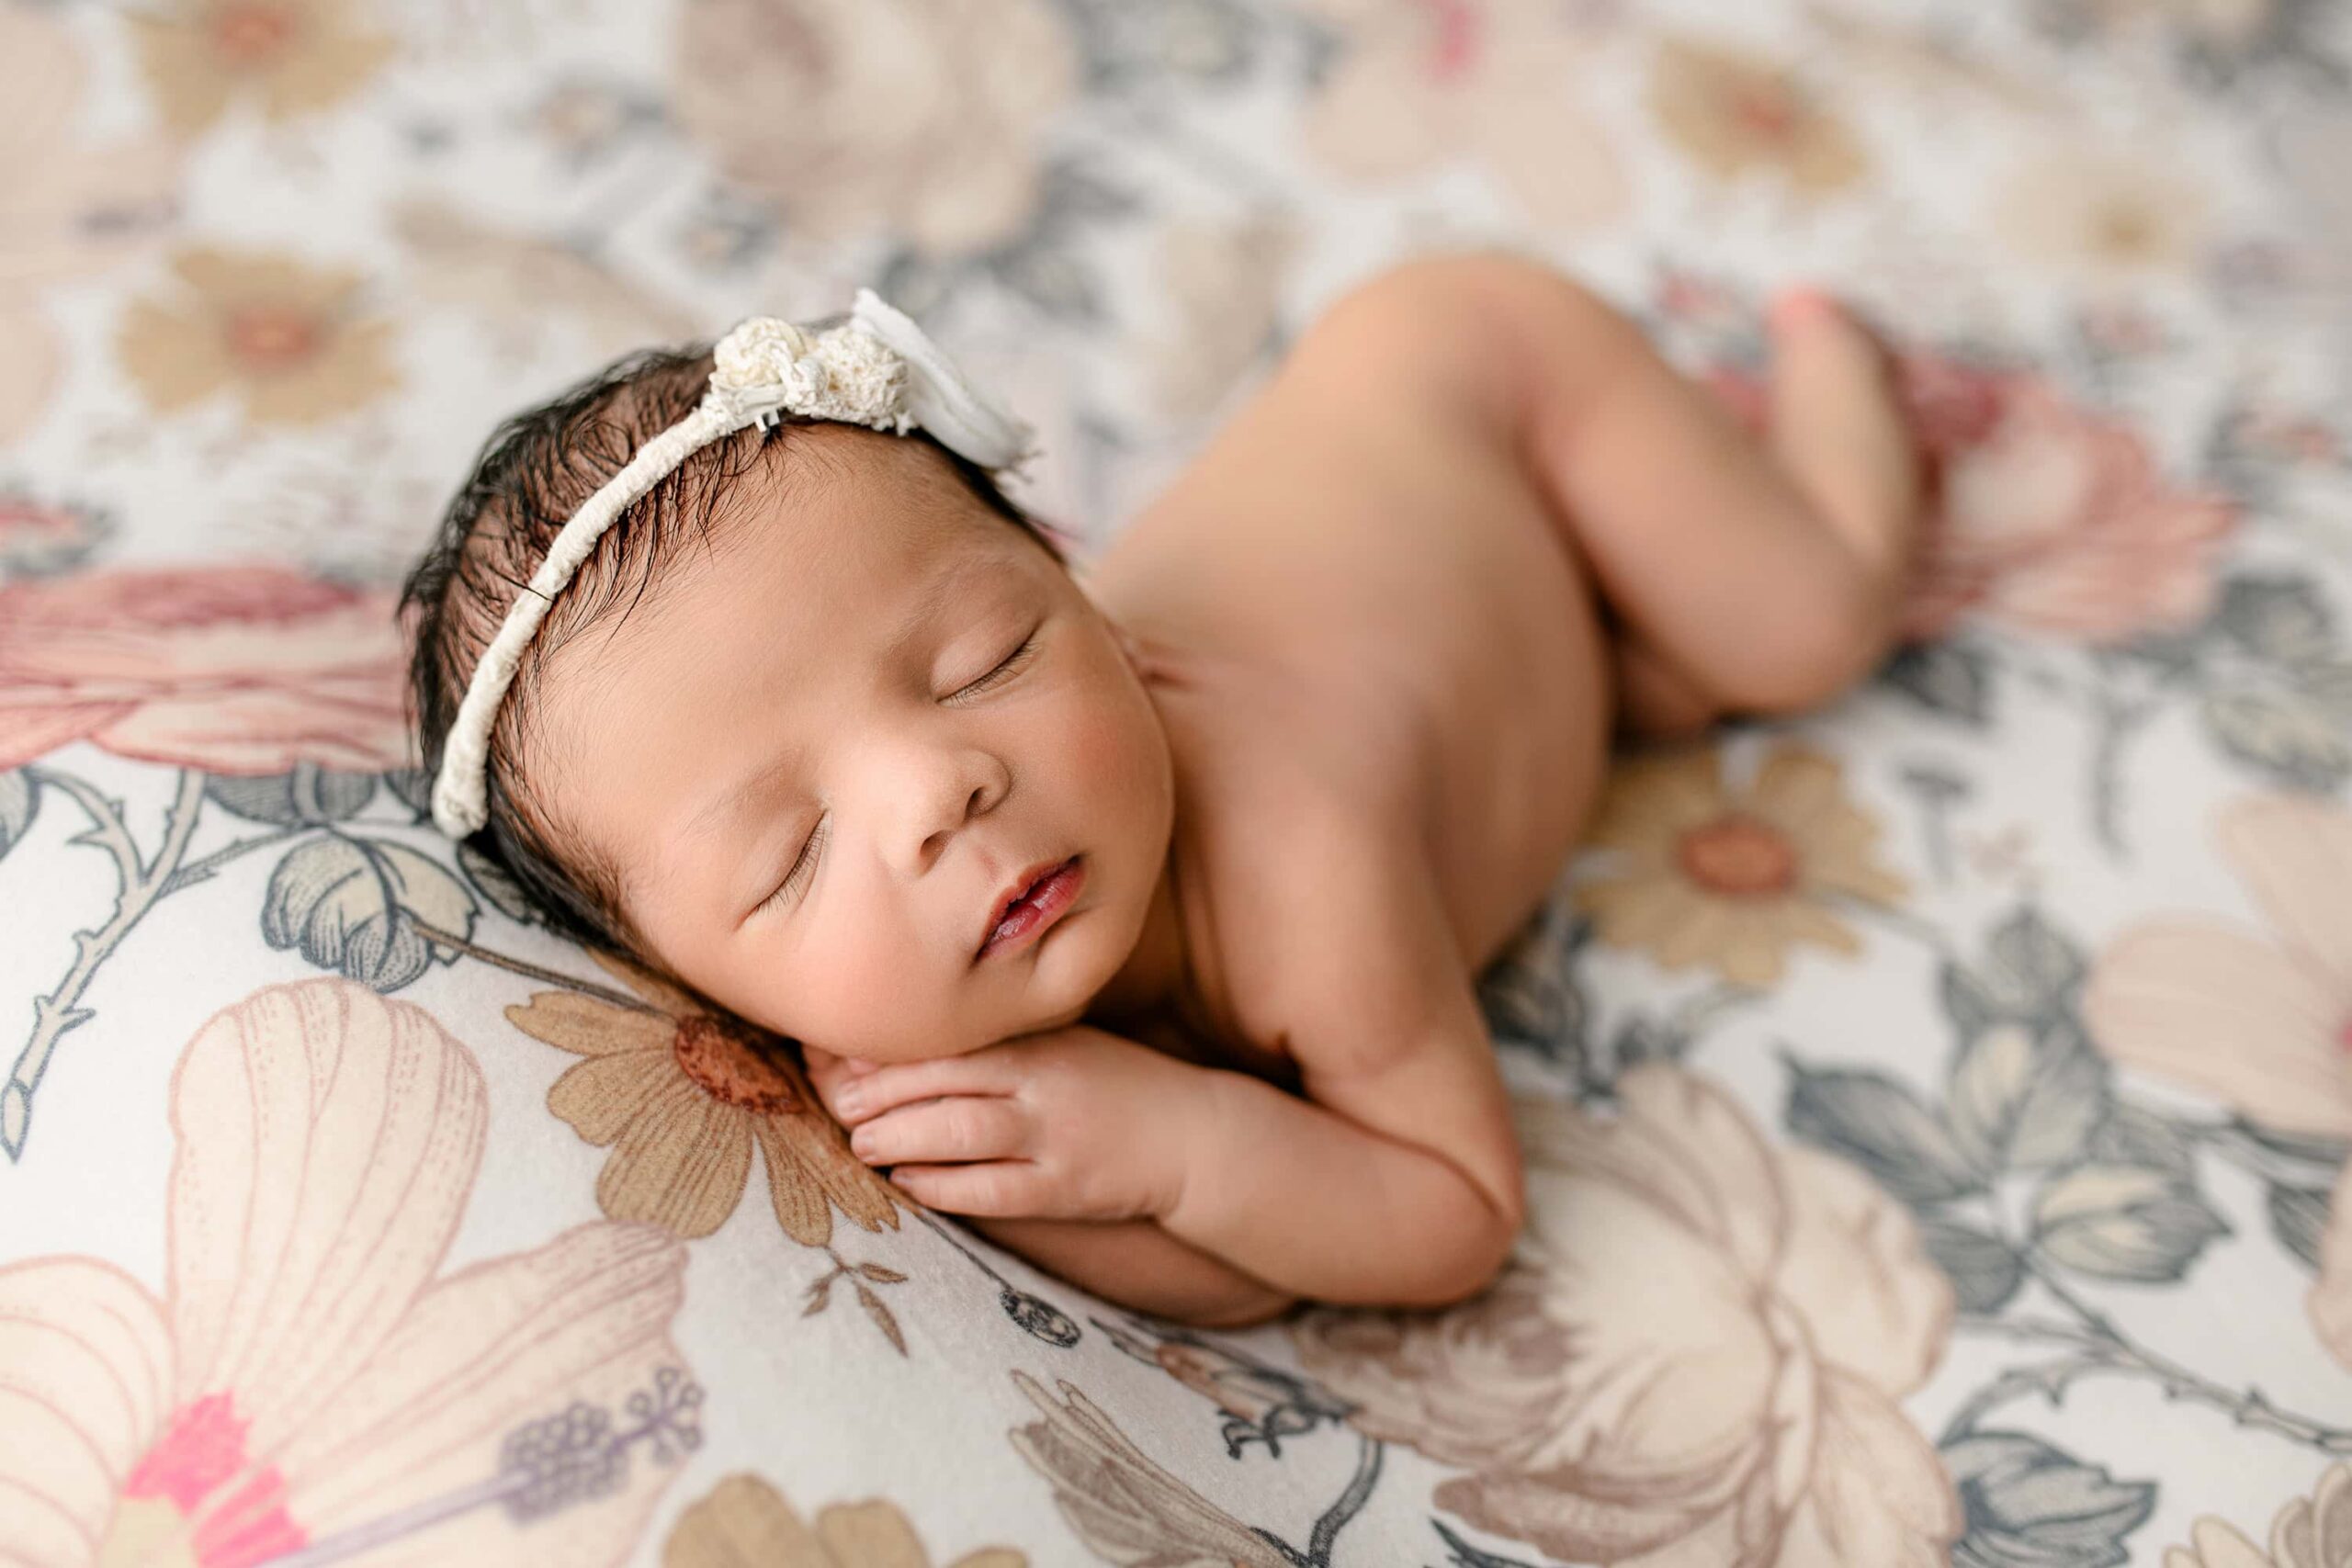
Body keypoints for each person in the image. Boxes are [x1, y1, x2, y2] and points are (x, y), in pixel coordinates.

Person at [403, 252, 1920, 1327]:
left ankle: (1835, 410)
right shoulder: (900, 1072)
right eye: (791, 855)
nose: (942, 789)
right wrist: (1086, 1166)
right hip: (1468, 585)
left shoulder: (1294, 851)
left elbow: (1449, 1208)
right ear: (700, 987)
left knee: (1791, 629)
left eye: (986, 658)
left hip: (1483, 381)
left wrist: (1173, 1143)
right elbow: (1254, 1267)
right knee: (1657, 685)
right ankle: (1604, 646)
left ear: (1090, 607)